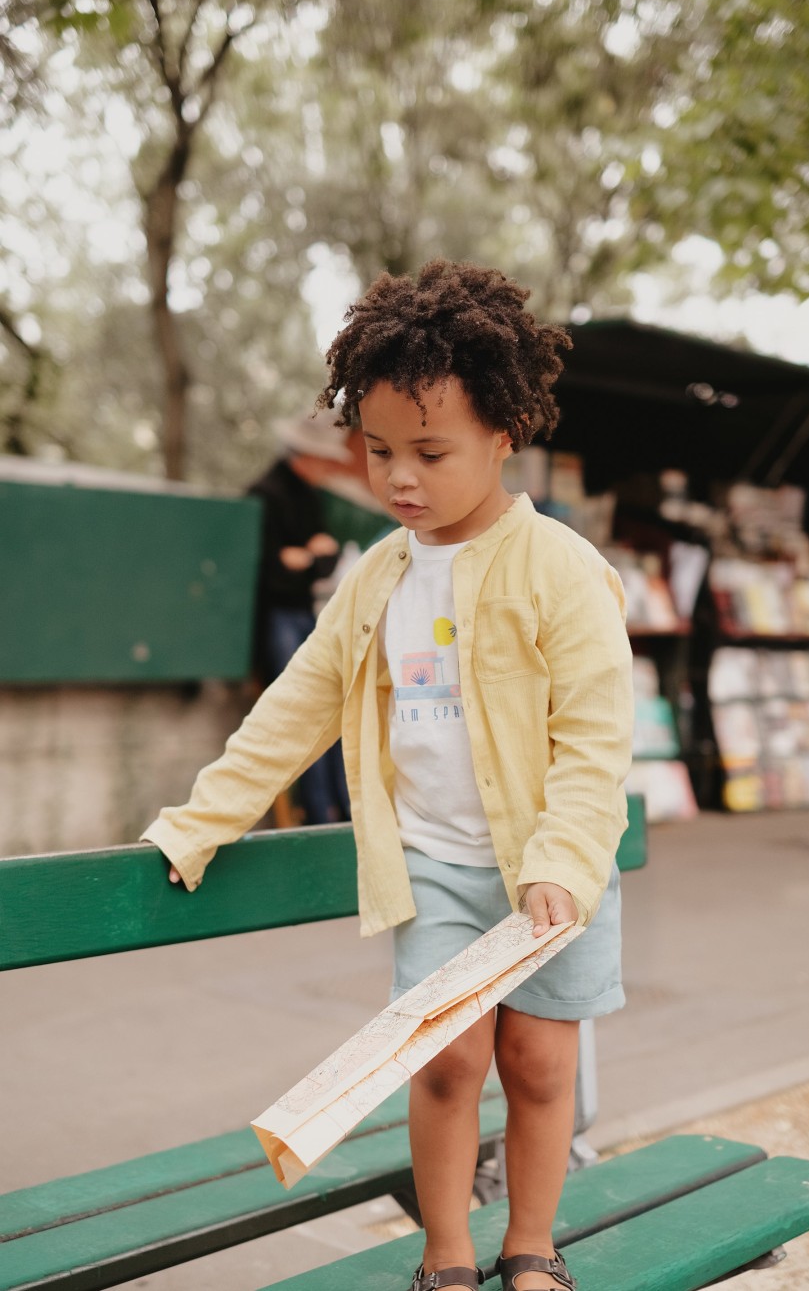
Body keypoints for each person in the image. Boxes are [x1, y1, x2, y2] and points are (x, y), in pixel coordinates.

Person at [142, 260, 633, 1291]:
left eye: (430, 451)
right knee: (447, 1062)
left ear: (504, 433)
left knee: (542, 1068)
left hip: (552, 876)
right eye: (377, 450)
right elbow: (295, 708)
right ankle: (447, 1253)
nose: (399, 477)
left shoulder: (561, 571)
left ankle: (531, 1247)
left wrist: (566, 863)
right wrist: (199, 821)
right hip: (439, 873)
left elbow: (594, 739)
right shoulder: (377, 576)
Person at [247, 413, 352, 824]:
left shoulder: (310, 496)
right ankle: (320, 814)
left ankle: (340, 811)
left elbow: (320, 564)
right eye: (322, 460)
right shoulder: (264, 494)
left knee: (328, 710)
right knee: (300, 713)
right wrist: (312, 555)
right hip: (276, 619)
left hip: (302, 614)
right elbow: (274, 573)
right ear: (304, 456)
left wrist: (303, 560)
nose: (328, 469)